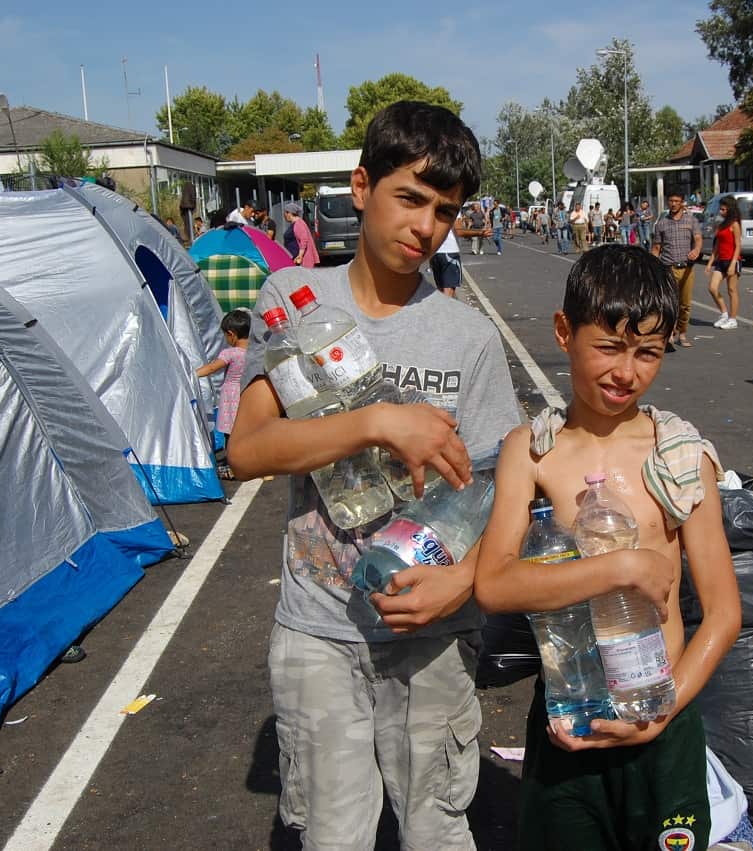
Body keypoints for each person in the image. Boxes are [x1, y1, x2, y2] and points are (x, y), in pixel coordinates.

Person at [227, 100, 521, 850]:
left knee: (435, 831)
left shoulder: (469, 338)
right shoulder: (295, 301)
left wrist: (461, 584)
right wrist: (375, 421)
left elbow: (506, 488)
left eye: (446, 211)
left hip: (434, 632)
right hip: (318, 628)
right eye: (410, 198)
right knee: (334, 836)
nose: (426, 227)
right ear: (362, 187)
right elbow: (249, 450)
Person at [473, 243, 741, 851]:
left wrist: (663, 714)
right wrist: (619, 566)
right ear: (564, 332)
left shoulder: (680, 455)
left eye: (648, 353)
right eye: (609, 347)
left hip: (661, 720)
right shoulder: (532, 451)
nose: (627, 372)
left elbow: (723, 614)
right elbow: (495, 585)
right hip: (570, 716)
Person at [195, 309, 252, 478]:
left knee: (229, 433)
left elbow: (213, 367)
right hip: (246, 394)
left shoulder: (231, 353)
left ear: (231, 334)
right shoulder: (254, 352)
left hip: (230, 397)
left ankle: (233, 467)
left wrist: (193, 374)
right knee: (245, 431)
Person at [651, 191, 702, 348]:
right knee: (671, 303)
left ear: (682, 202)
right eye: (671, 200)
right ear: (668, 202)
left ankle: (683, 333)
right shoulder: (662, 224)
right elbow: (657, 247)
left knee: (685, 304)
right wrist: (652, 266)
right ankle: (670, 333)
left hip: (686, 268)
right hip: (668, 268)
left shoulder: (691, 220)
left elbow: (698, 239)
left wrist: (696, 250)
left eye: (677, 201)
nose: (673, 204)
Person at [708, 196, 743, 330]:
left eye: (723, 209)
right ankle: (724, 313)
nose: (721, 211)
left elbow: (738, 245)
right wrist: (710, 261)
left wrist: (733, 263)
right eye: (720, 209)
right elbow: (717, 245)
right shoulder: (721, 225)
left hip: (732, 260)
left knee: (731, 290)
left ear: (730, 210)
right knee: (712, 287)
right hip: (721, 260)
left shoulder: (735, 224)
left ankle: (733, 319)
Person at [430, 217, 463, 297]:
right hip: (449, 251)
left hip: (434, 252)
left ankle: (443, 308)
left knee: (441, 289)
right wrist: (480, 233)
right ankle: (446, 309)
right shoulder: (454, 208)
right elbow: (460, 232)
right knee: (448, 290)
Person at [280, 201, 319, 268]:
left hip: (299, 260)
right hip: (294, 259)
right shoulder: (296, 223)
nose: (284, 215)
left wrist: (300, 256)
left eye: (285, 213)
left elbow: (304, 239)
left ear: (289, 213)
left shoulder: (298, 224)